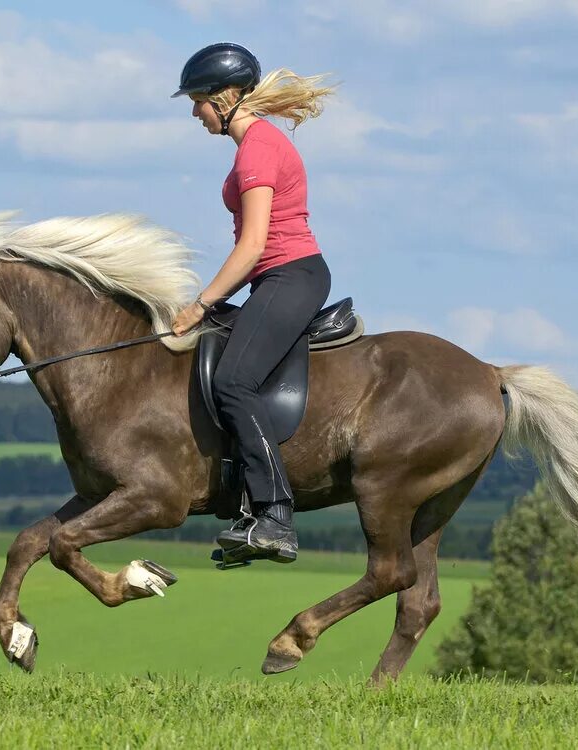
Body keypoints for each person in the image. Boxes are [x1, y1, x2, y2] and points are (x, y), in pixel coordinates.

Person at [170, 43, 335, 564]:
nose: (195, 112)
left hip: (290, 276)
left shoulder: (259, 147)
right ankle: (243, 508)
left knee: (233, 381)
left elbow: (253, 245)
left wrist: (200, 304)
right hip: (272, 280)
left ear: (226, 98)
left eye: (198, 101)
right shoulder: (252, 145)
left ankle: (275, 515)